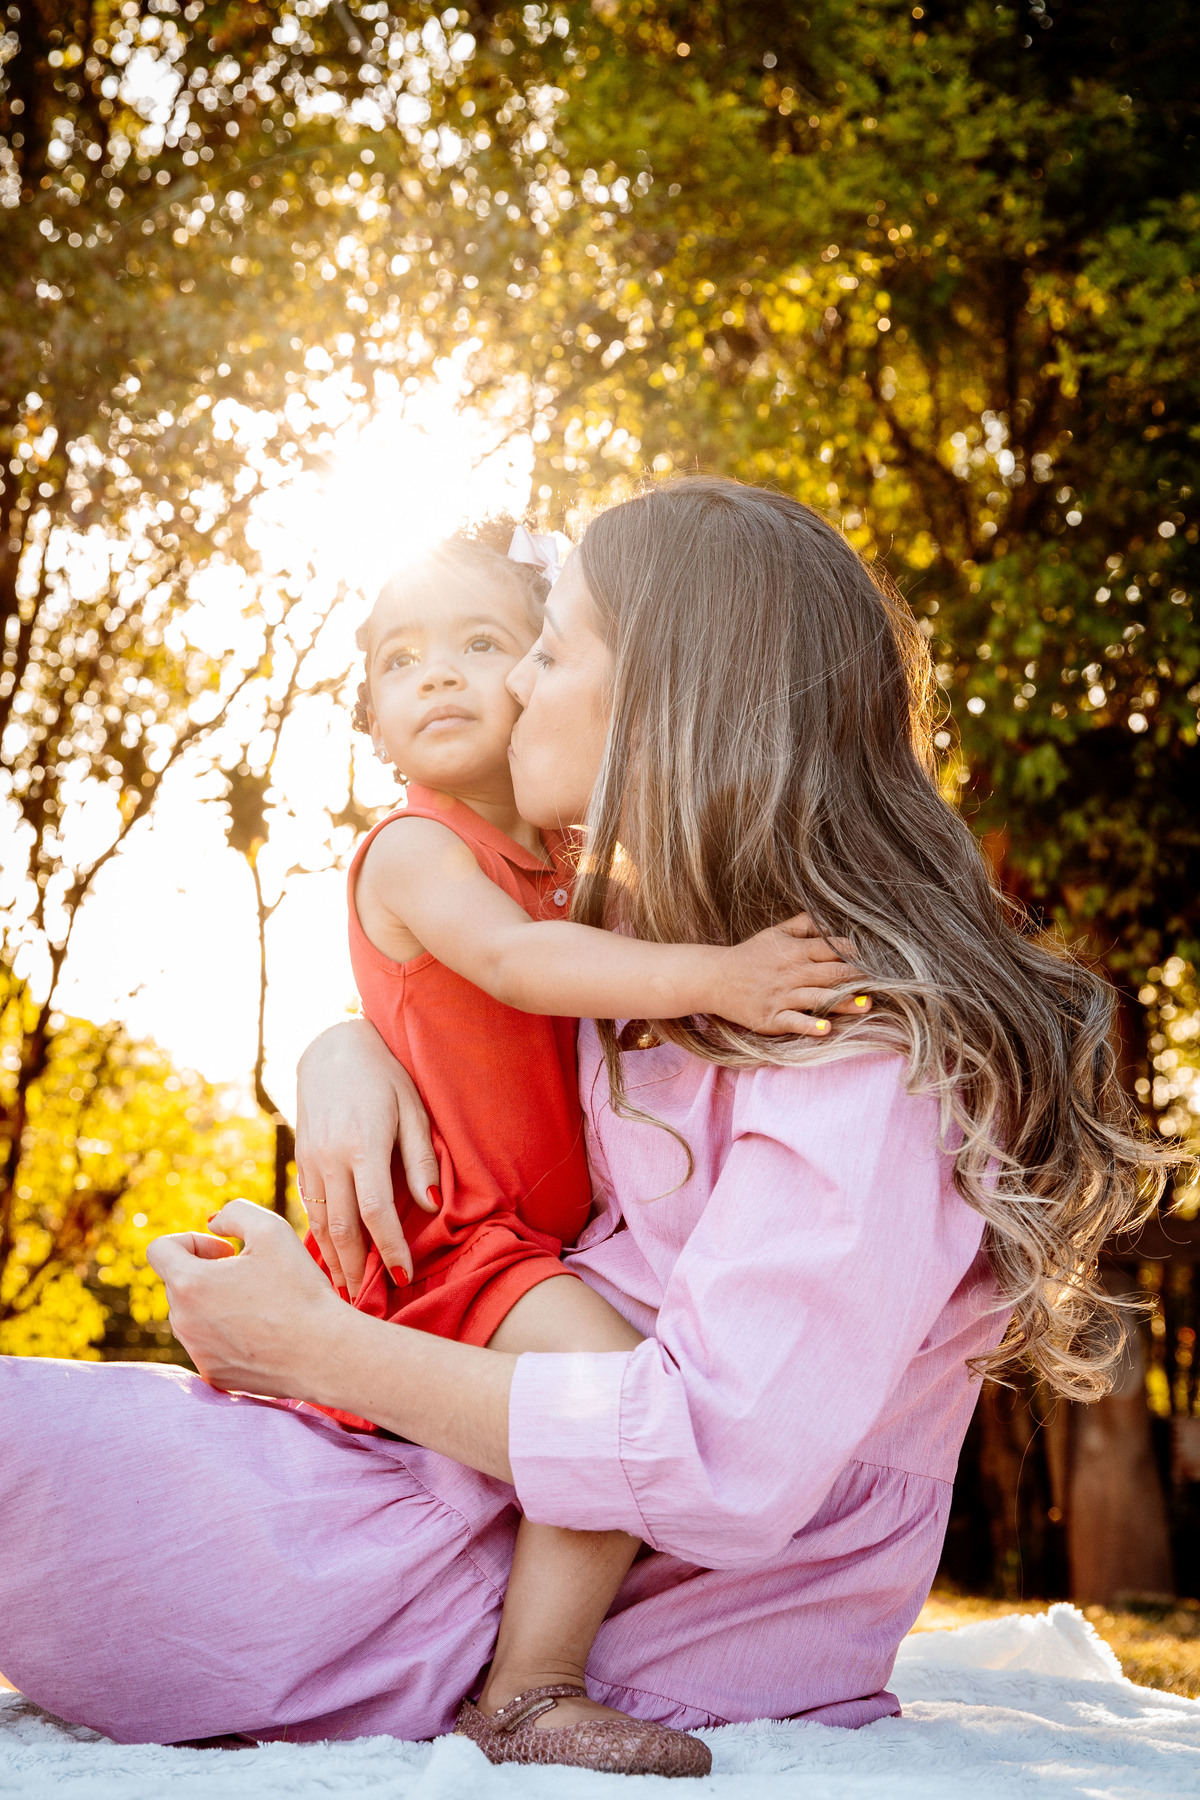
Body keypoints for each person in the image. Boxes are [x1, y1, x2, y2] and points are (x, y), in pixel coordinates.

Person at [0, 478, 1165, 1760]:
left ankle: (525, 1691)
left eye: (545, 648)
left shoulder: (859, 1055)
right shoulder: (643, 961)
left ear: (659, 709)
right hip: (429, 1506)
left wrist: (309, 1346)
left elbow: (713, 1453)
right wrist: (346, 1050)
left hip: (491, 1601)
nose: (505, 688)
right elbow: (482, 1007)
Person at [298, 524, 864, 1774]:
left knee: (601, 1406)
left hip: (531, 1241)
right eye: (402, 660)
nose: (438, 676)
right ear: (375, 724)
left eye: (484, 644)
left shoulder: (573, 866)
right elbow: (516, 966)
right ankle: (529, 1695)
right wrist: (726, 973)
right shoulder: (418, 850)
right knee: (616, 1400)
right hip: (452, 1235)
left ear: (544, 678)